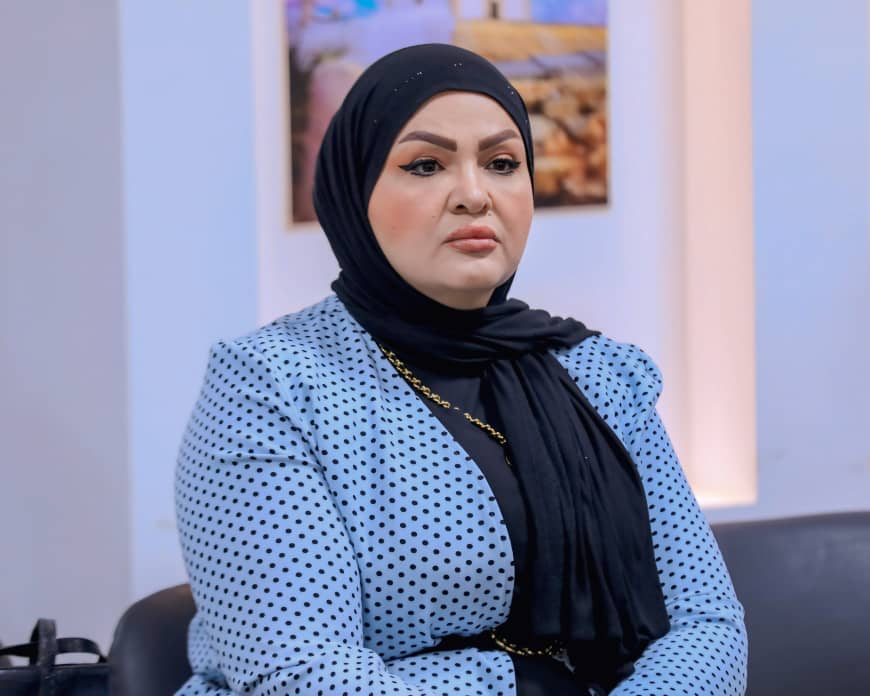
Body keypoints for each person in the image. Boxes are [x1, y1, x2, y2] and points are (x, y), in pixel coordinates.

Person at [174, 43, 747, 695]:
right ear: (354, 191)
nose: (475, 195)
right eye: (425, 165)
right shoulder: (271, 384)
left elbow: (706, 624)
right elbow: (301, 675)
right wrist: (517, 684)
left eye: (502, 164)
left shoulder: (597, 373)